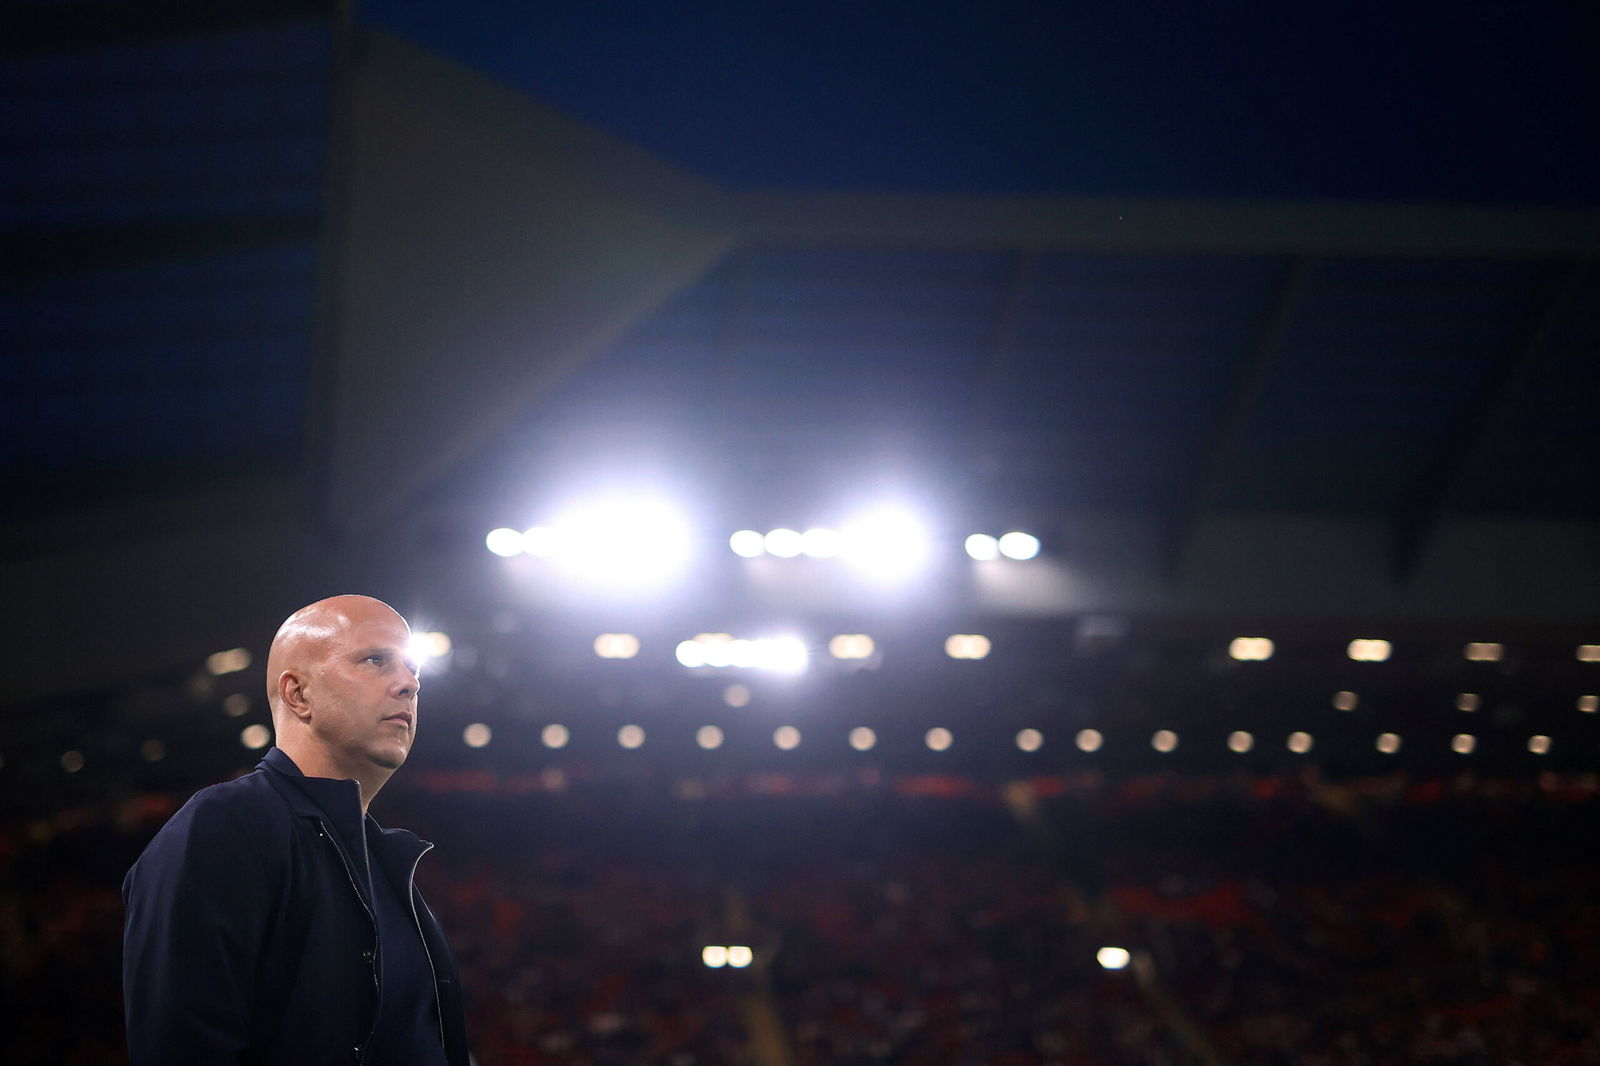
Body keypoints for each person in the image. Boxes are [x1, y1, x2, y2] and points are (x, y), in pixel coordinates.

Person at [122, 594, 471, 1065]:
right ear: (298, 694)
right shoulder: (226, 825)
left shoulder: (384, 860)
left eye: (413, 672)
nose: (409, 684)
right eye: (375, 660)